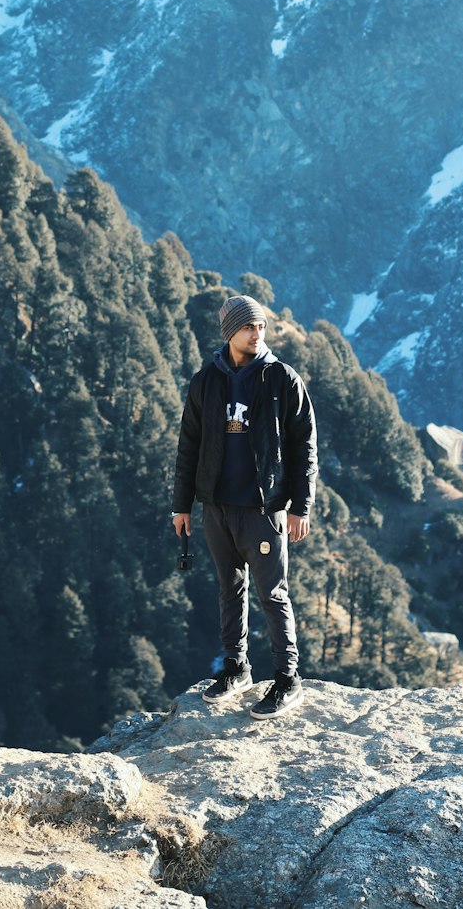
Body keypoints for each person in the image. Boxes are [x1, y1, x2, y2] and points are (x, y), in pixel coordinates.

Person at [172, 293, 317, 718]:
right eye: (248, 327)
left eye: (261, 327)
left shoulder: (282, 379)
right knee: (229, 589)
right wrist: (181, 505)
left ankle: (288, 680)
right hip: (216, 506)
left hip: (263, 509)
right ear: (229, 331)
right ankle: (237, 669)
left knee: (272, 594)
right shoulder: (207, 381)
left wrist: (300, 507)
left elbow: (304, 447)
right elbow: (189, 446)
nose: (257, 334)